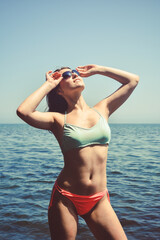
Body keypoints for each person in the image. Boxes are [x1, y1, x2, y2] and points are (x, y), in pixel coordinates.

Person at [17, 64, 139, 240]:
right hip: (66, 198)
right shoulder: (57, 119)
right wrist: (49, 84)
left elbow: (133, 80)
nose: (74, 74)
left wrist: (98, 69)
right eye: (67, 74)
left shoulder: (103, 109)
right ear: (59, 90)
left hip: (98, 199)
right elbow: (23, 111)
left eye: (74, 72)